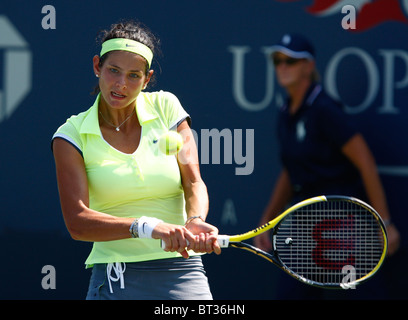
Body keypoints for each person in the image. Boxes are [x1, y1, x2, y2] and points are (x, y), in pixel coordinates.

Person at [51, 20, 221, 300]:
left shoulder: (167, 107)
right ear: (97, 67)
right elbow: (77, 223)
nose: (121, 84)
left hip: (183, 273)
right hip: (115, 279)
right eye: (113, 71)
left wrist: (195, 219)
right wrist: (147, 227)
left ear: (147, 78)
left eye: (133, 75)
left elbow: (194, 183)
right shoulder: (70, 135)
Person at [253, 33, 400, 299]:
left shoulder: (325, 110)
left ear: (308, 66)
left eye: (291, 61)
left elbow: (365, 162)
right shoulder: (286, 111)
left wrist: (384, 222)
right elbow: (291, 169)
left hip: (342, 223)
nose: (282, 67)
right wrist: (267, 220)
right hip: (304, 222)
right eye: (278, 61)